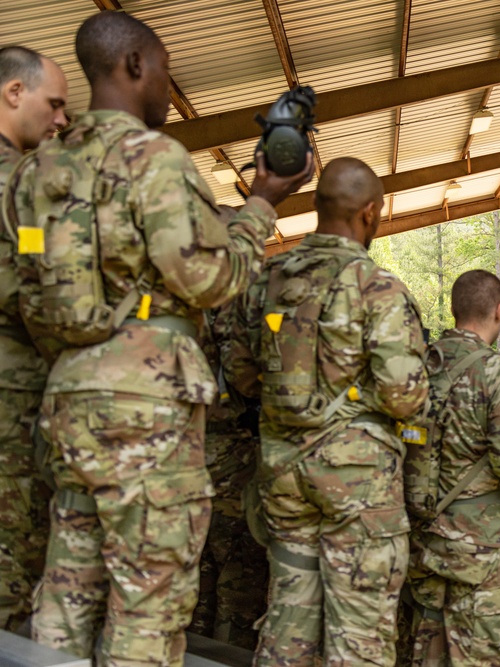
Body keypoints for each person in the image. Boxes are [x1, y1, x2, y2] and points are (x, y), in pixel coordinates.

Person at [4, 11, 311, 665]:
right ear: (136, 65)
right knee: (147, 604)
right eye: (167, 72)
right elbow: (210, 277)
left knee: (66, 593)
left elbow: (24, 286)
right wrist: (263, 201)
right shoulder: (153, 159)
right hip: (147, 408)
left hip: (67, 402)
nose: (170, 91)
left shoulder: (36, 172)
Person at [224, 156, 428, 666]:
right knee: (358, 637)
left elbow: (240, 375)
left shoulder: (266, 279)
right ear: (370, 213)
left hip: (283, 475)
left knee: (288, 622)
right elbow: (406, 397)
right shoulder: (376, 287)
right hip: (356, 484)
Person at [404, 269, 500, 666]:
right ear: (499, 311)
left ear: (453, 309)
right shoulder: (499, 374)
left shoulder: (415, 369)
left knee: (427, 650)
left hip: (421, 539)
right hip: (481, 547)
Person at [0, 44, 68, 632]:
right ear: (13, 93)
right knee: (11, 568)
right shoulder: (22, 184)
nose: (62, 119)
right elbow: (39, 298)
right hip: (10, 408)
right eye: (55, 104)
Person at [188, 306, 268, 651]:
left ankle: (194, 647)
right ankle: (224, 653)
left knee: (198, 567)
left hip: (186, 453)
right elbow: (245, 377)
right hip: (232, 457)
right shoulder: (239, 311)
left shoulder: (182, 309)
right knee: (238, 573)